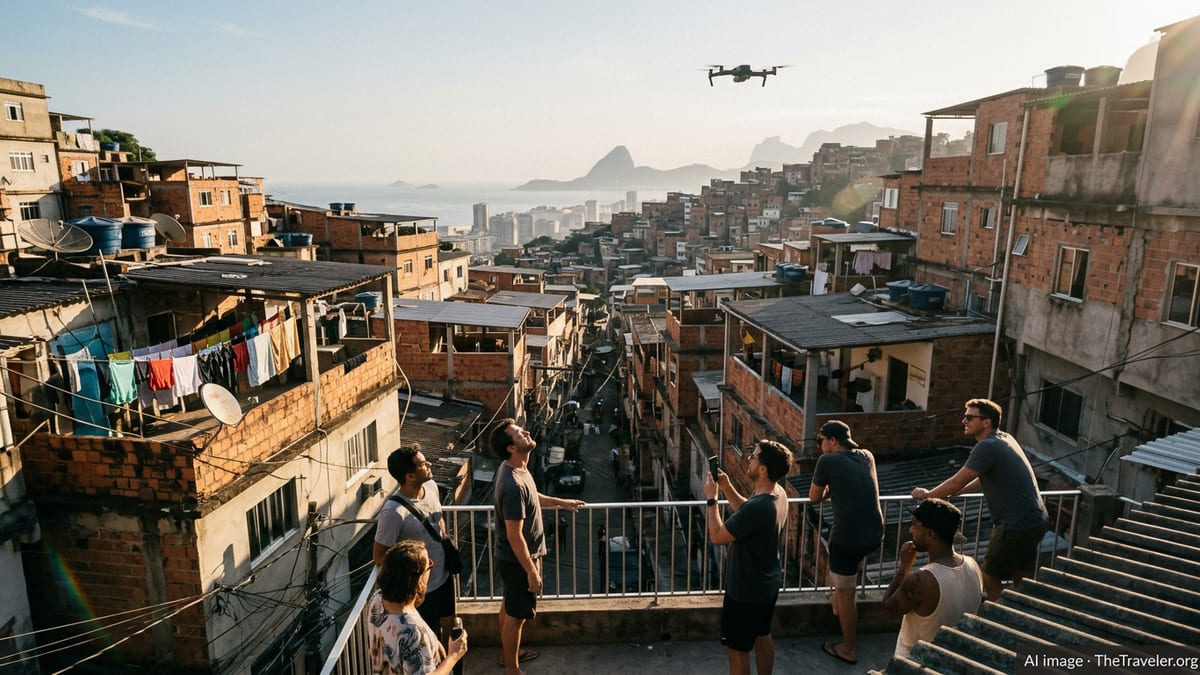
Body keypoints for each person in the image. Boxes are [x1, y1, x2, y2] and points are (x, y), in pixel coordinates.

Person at [911, 398, 1048, 601]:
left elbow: (956, 480)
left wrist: (927, 495)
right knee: (1023, 575)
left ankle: (999, 619)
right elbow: (984, 479)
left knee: (989, 578)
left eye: (969, 417)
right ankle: (1023, 611)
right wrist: (956, 493)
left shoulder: (987, 447)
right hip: (1036, 520)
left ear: (986, 422)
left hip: (1014, 525)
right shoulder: (1004, 438)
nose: (963, 421)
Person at [490, 419, 586, 675]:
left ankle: (508, 654)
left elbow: (533, 497)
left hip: (513, 559)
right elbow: (514, 535)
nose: (527, 433)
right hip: (518, 560)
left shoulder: (518, 469)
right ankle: (512, 669)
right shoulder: (512, 484)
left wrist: (561, 502)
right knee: (517, 616)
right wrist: (531, 571)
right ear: (511, 447)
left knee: (509, 607)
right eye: (519, 434)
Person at [704, 439, 792, 675]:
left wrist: (712, 499)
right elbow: (747, 512)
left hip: (745, 591)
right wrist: (726, 487)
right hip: (767, 584)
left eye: (753, 456)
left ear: (763, 469)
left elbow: (717, 536)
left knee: (737, 650)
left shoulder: (759, 507)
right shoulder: (778, 493)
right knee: (762, 634)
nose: (748, 459)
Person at [809, 420, 883, 666]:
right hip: (874, 532)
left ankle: (849, 648)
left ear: (833, 441)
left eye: (821, 441)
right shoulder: (866, 456)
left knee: (845, 593)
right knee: (844, 584)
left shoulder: (827, 461)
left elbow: (814, 497)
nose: (820, 447)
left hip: (847, 538)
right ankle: (839, 601)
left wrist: (829, 489)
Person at [881, 499, 984, 658]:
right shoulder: (973, 565)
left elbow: (887, 611)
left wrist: (904, 568)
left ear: (930, 534)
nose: (911, 531)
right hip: (955, 659)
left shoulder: (921, 580)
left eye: (915, 525)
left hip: (914, 664)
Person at [374, 447, 456, 641]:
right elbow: (379, 556)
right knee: (430, 635)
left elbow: (439, 520)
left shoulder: (432, 487)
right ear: (410, 476)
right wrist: (413, 566)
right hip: (421, 588)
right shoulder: (393, 512)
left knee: (450, 623)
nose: (428, 464)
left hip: (443, 575)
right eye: (422, 464)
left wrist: (444, 541)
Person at [369, 541, 468, 675]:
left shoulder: (378, 600)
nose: (430, 570)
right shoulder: (412, 633)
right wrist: (454, 655)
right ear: (418, 577)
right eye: (429, 566)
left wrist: (433, 643)